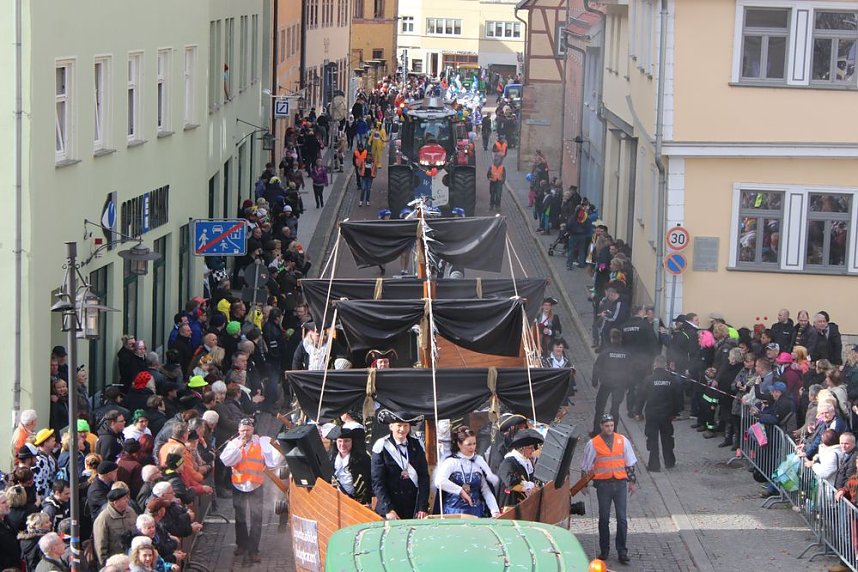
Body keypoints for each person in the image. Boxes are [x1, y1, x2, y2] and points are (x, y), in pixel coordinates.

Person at [219, 417, 279, 564]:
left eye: (247, 430)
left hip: (256, 485)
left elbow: (273, 460)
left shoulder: (260, 442)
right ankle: (241, 544)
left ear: (253, 429)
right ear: (238, 431)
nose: (245, 433)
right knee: (240, 517)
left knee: (256, 518)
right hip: (239, 485)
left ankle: (253, 550)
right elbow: (226, 461)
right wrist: (239, 447)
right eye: (242, 430)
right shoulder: (234, 443)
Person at [581, 413, 637, 564]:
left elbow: (629, 463)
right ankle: (604, 550)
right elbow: (586, 465)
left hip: (620, 484)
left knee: (622, 519)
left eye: (611, 425)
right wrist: (583, 484)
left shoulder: (622, 440)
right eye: (607, 426)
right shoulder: (593, 443)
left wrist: (632, 482)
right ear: (601, 426)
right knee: (604, 518)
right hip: (603, 485)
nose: (609, 428)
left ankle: (622, 551)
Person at [370, 410, 430, 520]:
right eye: (399, 425)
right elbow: (377, 482)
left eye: (406, 425)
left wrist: (422, 507)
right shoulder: (381, 445)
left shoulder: (417, 444)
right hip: (391, 508)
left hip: (413, 507)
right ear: (391, 426)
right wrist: (388, 509)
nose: (402, 429)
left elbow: (423, 477)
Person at [434, 426, 500, 517]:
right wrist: (460, 490)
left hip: (476, 513)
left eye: (474, 443)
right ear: (459, 444)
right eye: (468, 444)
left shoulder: (479, 461)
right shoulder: (451, 462)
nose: (472, 447)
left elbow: (486, 490)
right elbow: (439, 481)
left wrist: (495, 511)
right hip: (453, 514)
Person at [638, 356, 682, 471]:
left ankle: (654, 465)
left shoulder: (648, 380)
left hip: (652, 414)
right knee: (667, 438)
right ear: (665, 366)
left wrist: (638, 411)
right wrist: (676, 412)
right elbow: (677, 397)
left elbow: (641, 397)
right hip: (666, 414)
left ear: (654, 366)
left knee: (652, 440)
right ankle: (669, 461)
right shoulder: (671, 380)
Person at [590, 329, 631, 436]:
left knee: (600, 407)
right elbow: (630, 370)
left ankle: (596, 431)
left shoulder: (605, 353)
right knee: (615, 408)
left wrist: (595, 381)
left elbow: (597, 367)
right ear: (620, 339)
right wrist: (627, 385)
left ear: (611, 339)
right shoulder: (626, 354)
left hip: (606, 383)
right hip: (620, 384)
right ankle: (613, 431)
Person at [496, 428, 544, 510]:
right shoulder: (508, 462)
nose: (533, 450)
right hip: (510, 505)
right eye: (530, 448)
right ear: (522, 448)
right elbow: (510, 483)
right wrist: (529, 488)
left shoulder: (527, 462)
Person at [93, 487, 138, 566]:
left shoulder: (130, 512)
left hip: (131, 559)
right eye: (124, 499)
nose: (127, 500)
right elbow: (101, 545)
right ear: (115, 502)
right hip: (115, 562)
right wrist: (105, 565)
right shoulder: (104, 518)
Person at [329, 426, 372, 505]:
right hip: (337, 500)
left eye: (346, 441)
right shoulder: (331, 459)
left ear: (352, 442)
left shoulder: (362, 459)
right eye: (340, 441)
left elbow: (370, 481)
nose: (342, 444)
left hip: (358, 501)